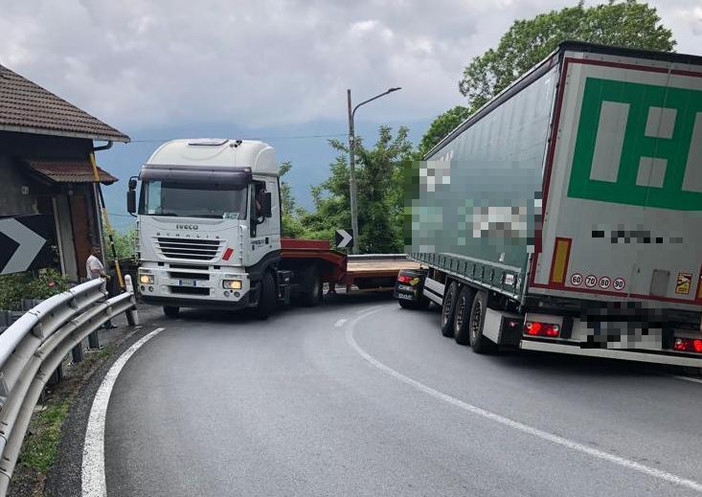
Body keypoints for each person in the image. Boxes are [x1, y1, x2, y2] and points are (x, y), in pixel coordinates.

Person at [86, 246, 117, 329]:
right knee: (103, 304)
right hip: (98, 287)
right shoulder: (93, 260)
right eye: (96, 250)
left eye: (99, 250)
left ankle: (101, 324)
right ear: (92, 251)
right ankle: (106, 323)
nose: (98, 252)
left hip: (97, 286)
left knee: (99, 305)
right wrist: (106, 276)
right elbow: (95, 270)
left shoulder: (92, 259)